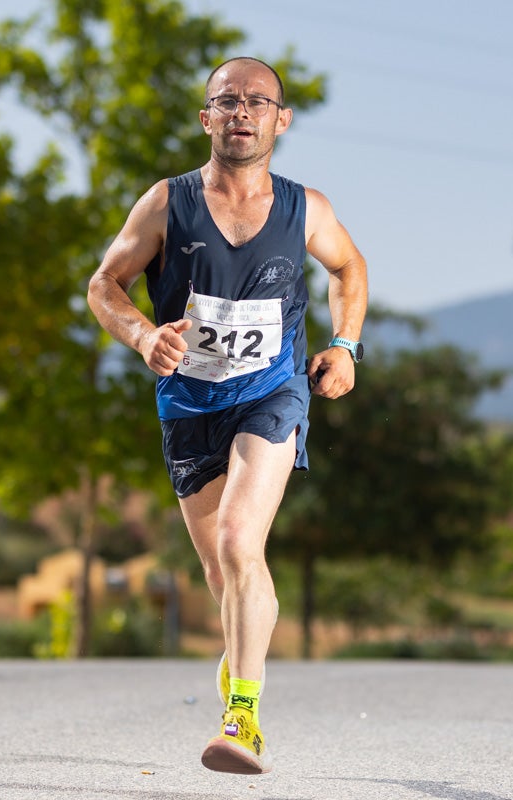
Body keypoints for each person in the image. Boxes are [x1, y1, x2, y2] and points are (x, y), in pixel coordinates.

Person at [87, 56, 368, 775]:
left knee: (244, 542)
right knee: (221, 572)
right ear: (206, 117)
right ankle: (240, 656)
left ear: (281, 119)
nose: (242, 112)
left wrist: (344, 346)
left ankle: (243, 718)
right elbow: (104, 285)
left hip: (272, 391)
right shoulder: (165, 203)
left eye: (258, 102)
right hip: (188, 402)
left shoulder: (308, 207)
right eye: (228, 101)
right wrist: (144, 335)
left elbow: (348, 269)